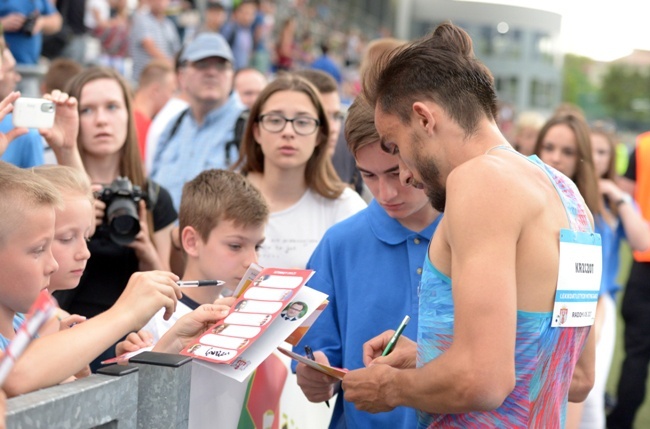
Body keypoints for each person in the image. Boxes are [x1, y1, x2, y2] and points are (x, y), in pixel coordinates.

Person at [341, 22, 596, 427]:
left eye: (396, 147)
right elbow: (575, 375)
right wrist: (430, 355)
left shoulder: (478, 180)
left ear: (424, 118)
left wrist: (388, 388)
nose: (404, 174)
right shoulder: (568, 195)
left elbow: (484, 379)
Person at [293, 93, 441, 428]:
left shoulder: (476, 235)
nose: (386, 192)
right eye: (368, 176)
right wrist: (313, 377)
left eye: (396, 172)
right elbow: (314, 360)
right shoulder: (339, 243)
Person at [0, 160, 182, 397]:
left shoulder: (32, 326)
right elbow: (14, 376)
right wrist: (126, 312)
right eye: (38, 249)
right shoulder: (36, 324)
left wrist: (78, 371)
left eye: (87, 238)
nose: (52, 263)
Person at [44, 67, 178, 370]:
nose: (101, 120)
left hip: (132, 344)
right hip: (61, 337)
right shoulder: (49, 194)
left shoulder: (154, 198)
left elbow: (168, 291)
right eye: (87, 110)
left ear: (129, 115)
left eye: (112, 107)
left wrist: (145, 249)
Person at [233, 72, 366, 270]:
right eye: (275, 120)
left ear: (320, 135)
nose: (288, 132)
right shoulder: (223, 197)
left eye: (303, 122)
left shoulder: (345, 206)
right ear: (256, 131)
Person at [150, 32, 245, 210]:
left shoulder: (249, 129)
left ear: (232, 76)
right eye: (201, 64)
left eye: (221, 65)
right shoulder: (172, 127)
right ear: (181, 76)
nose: (211, 72)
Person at [606, 128, 650, 429]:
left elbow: (624, 189)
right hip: (643, 257)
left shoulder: (644, 145)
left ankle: (620, 423)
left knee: (636, 354)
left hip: (645, 262)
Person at [0, 48, 41, 168]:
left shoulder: (25, 131)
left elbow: (38, 185)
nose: (17, 77)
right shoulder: (25, 131)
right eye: (11, 70)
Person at [132, 59, 177, 160]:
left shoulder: (124, 114)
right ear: (155, 90)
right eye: (172, 91)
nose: (173, 99)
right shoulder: (144, 127)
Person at [129, 0, 180, 82]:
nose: (160, 2)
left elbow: (176, 50)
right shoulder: (141, 19)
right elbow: (149, 46)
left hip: (163, 80)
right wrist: (171, 66)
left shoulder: (169, 25)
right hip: (143, 80)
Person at [0, 0, 62, 65]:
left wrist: (41, 22)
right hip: (4, 66)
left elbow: (57, 22)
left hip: (30, 64)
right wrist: (3, 23)